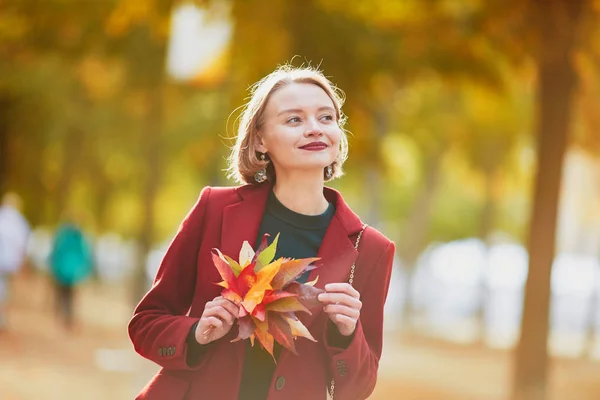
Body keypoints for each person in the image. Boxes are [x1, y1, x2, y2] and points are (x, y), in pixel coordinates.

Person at [128, 65, 395, 400]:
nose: (315, 129)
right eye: (294, 120)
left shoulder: (371, 249)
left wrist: (347, 334)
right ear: (260, 140)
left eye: (326, 118)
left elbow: (357, 388)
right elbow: (146, 324)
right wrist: (196, 333)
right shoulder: (214, 209)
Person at [48, 217, 93, 330]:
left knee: (63, 295)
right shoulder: (80, 239)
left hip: (61, 271)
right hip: (74, 273)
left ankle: (64, 315)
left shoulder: (62, 237)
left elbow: (56, 253)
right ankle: (68, 316)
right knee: (70, 296)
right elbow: (85, 256)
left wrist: (54, 267)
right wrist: (84, 271)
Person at [0, 192, 30, 331]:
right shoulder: (20, 221)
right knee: (6, 288)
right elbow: (23, 244)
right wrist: (22, 261)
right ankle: (3, 317)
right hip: (10, 261)